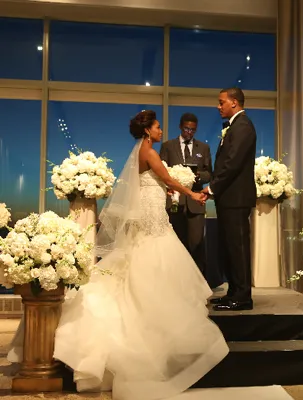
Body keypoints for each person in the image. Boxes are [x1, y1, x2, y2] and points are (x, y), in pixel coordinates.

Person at [8, 110, 229, 400]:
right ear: (147, 131)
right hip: (152, 217)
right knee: (154, 256)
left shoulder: (142, 151)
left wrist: (167, 187)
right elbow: (168, 179)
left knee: (148, 255)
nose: (161, 130)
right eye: (157, 126)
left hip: (153, 209)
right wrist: (193, 194)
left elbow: (157, 181)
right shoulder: (149, 152)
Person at [202, 87, 257, 311]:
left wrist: (212, 187)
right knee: (230, 247)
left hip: (237, 199)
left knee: (238, 248)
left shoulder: (243, 125)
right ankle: (234, 292)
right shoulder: (235, 126)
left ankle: (243, 297)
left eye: (221, 102)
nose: (218, 106)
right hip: (229, 198)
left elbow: (232, 162)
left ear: (234, 102)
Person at [160, 113, 212, 275]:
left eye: (193, 130)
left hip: (196, 202)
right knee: (175, 243)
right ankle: (175, 280)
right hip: (174, 201)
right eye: (186, 129)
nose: (189, 132)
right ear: (180, 127)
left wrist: (197, 175)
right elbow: (162, 171)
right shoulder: (168, 146)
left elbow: (209, 174)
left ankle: (198, 281)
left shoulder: (203, 148)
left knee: (196, 243)